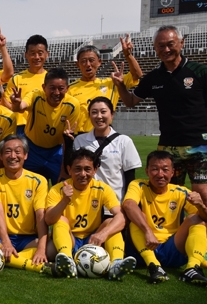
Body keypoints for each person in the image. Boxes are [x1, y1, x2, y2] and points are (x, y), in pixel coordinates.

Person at [112, 25, 207, 204]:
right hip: (168, 146)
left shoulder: (200, 72)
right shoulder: (154, 77)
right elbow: (131, 101)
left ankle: (201, 231)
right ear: (155, 48)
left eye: (170, 44)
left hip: (200, 145)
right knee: (167, 196)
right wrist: (120, 85)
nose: (166, 49)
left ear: (182, 43)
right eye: (160, 46)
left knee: (202, 192)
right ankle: (174, 232)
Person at [45, 148, 136, 280]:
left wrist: (103, 234)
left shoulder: (102, 188)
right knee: (61, 220)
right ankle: (68, 261)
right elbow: (49, 220)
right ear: (69, 169)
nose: (83, 174)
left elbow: (121, 217)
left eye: (87, 169)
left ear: (95, 170)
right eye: (77, 169)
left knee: (111, 222)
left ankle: (116, 264)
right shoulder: (58, 189)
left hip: (92, 240)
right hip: (68, 238)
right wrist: (65, 200)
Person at [122, 150, 207, 285]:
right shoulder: (138, 185)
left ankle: (192, 268)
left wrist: (201, 206)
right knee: (137, 216)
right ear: (147, 171)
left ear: (172, 173)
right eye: (155, 169)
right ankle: (153, 266)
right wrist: (148, 232)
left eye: (165, 170)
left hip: (172, 248)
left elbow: (204, 218)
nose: (160, 174)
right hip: (145, 246)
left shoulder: (181, 192)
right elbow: (129, 205)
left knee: (197, 219)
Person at [0, 135, 49, 273]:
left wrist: (41, 248)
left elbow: (41, 214)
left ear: (26, 155)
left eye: (17, 151)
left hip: (28, 239)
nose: (13, 156)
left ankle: (2, 259)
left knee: (51, 247)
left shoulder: (39, 180)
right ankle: (34, 265)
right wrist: (6, 242)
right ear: (1, 156)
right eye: (8, 152)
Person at [10, 68, 80, 184]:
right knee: (27, 187)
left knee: (60, 187)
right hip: (32, 150)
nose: (56, 93)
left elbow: (67, 139)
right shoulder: (35, 96)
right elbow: (20, 107)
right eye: (52, 88)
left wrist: (64, 167)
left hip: (55, 152)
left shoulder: (72, 105)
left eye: (61, 88)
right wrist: (16, 103)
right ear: (44, 87)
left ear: (67, 89)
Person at [72, 97, 141, 204]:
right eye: (94, 112)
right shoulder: (80, 140)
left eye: (103, 112)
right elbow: (72, 171)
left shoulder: (124, 141)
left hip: (114, 203)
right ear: (89, 115)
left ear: (112, 114)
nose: (99, 116)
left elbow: (130, 178)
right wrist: (67, 142)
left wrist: (128, 204)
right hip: (86, 204)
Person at [68, 40, 142, 134]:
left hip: (103, 136)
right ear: (77, 64)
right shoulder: (69, 89)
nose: (88, 64)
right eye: (83, 61)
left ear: (99, 62)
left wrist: (128, 55)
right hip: (79, 138)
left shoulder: (112, 83)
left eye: (91, 60)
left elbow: (137, 75)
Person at [3, 34, 49, 136]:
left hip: (44, 127)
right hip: (20, 128)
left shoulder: (51, 80)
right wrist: (14, 104)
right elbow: (7, 106)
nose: (36, 57)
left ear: (47, 54)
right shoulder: (16, 79)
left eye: (40, 53)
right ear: (26, 55)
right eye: (32, 53)